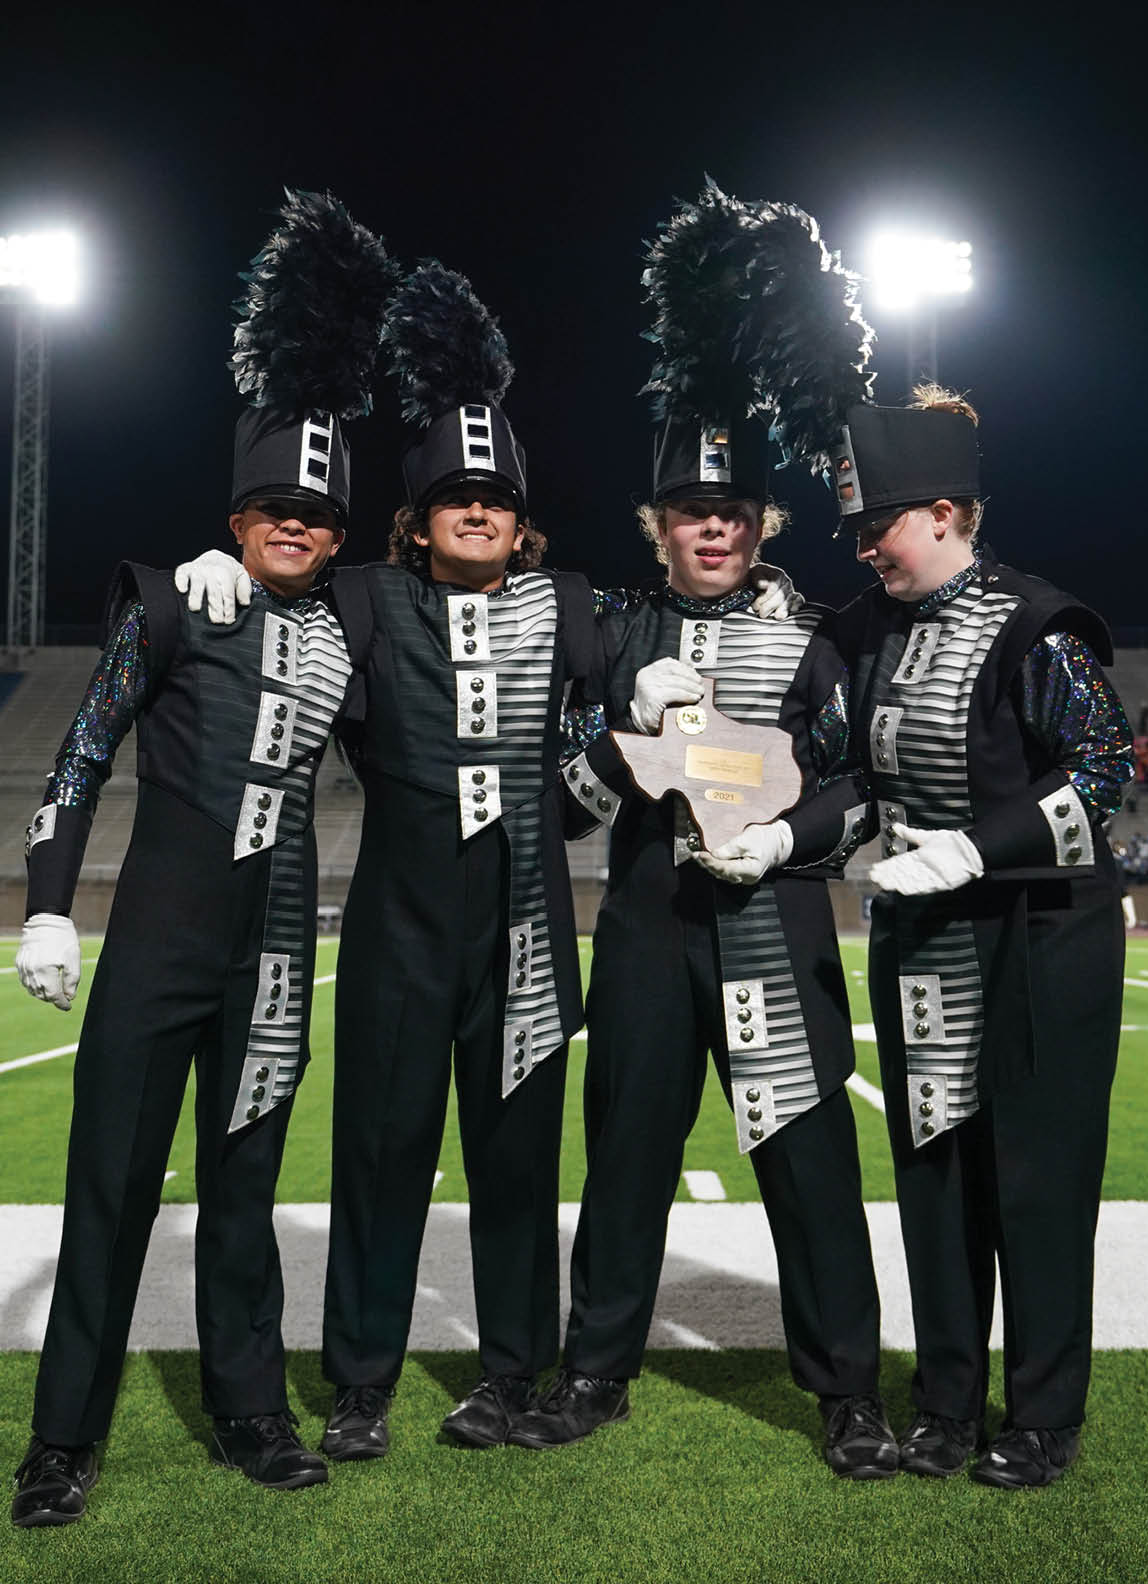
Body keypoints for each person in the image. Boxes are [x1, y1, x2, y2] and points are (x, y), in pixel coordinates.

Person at [177, 260, 798, 1459]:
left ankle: (511, 1375)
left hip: (526, 933)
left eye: (496, 498)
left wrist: (751, 608)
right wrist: (223, 576)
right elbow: (278, 614)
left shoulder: (574, 605)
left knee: (516, 1167)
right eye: (454, 496)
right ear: (416, 519)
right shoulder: (361, 598)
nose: (476, 511)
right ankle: (360, 1382)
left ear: (523, 520)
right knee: (378, 1156)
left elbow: (663, 663)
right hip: (397, 932)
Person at [9, 191, 396, 1526]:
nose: (293, 525)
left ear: (340, 533)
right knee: (110, 1188)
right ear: (237, 515)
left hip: (277, 947)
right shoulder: (173, 603)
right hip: (161, 937)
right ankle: (63, 1440)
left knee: (246, 1188)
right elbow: (81, 755)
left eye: (316, 514)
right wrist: (46, 907)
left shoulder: (352, 626)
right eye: (271, 506)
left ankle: (251, 1412)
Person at [509, 185, 897, 1478]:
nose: (713, 526)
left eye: (732, 511)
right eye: (690, 511)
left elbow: (861, 789)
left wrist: (788, 842)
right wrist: (619, 726)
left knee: (809, 1159)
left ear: (761, 523)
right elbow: (562, 799)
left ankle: (848, 1391)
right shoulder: (614, 634)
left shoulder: (821, 640)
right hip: (645, 931)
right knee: (625, 1155)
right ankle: (595, 1369)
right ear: (660, 526)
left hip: (773, 925)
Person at [828, 385, 1134, 1488]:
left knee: (1039, 1182)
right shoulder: (859, 631)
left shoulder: (1036, 623)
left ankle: (1044, 1415)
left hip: (1045, 937)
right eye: (858, 531)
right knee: (936, 1175)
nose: (866, 549)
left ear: (948, 513)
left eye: (882, 526)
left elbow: (1102, 772)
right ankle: (946, 1401)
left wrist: (973, 847)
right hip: (922, 935)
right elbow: (841, 774)